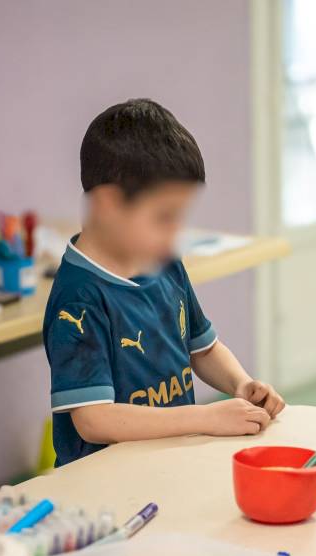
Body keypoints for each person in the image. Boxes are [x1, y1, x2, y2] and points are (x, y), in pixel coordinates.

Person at [43, 99, 283, 466]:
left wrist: (240, 384)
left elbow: (202, 349)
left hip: (169, 465)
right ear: (108, 205)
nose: (175, 233)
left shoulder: (163, 262)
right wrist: (206, 417)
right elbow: (94, 420)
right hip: (104, 483)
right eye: (164, 217)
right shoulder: (79, 297)